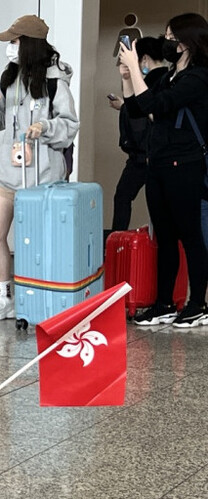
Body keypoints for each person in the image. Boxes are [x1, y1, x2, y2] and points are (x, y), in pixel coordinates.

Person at [0, 14, 79, 321]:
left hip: (43, 177)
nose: (10, 47)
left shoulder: (54, 80)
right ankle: (5, 296)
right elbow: (0, 124)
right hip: (9, 171)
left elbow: (69, 125)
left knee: (37, 241)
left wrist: (44, 127)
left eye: (14, 41)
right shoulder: (10, 77)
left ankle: (41, 298)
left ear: (29, 44)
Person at [120, 14, 208, 327]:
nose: (166, 42)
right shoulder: (168, 75)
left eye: (171, 37)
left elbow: (158, 105)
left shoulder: (199, 77)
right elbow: (137, 107)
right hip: (157, 164)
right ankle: (164, 303)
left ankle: (197, 304)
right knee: (165, 236)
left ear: (187, 42)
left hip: (185, 164)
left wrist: (135, 67)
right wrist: (127, 77)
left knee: (191, 236)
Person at [107, 36, 168, 234]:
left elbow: (148, 112)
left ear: (144, 59)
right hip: (147, 153)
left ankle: (117, 241)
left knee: (124, 196)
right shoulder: (167, 79)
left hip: (145, 153)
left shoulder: (152, 82)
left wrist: (125, 105)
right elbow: (139, 110)